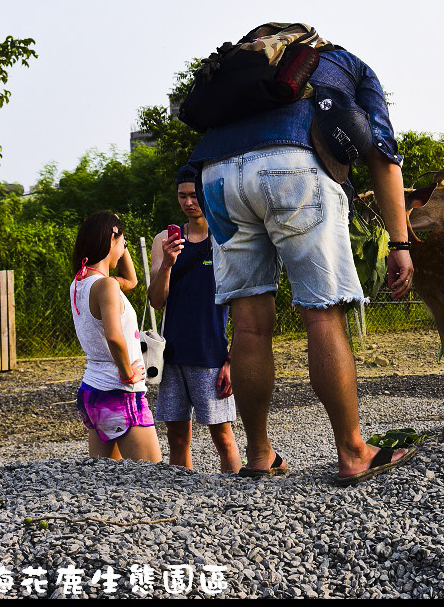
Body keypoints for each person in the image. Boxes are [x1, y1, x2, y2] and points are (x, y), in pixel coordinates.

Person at [188, 25, 417, 485]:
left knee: (250, 324)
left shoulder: (245, 75)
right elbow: (382, 156)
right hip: (291, 164)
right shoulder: (346, 63)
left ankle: (259, 454)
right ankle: (353, 451)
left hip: (215, 177)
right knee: (322, 314)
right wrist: (399, 242)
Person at [148, 164, 243, 474]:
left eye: (194, 195)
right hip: (172, 353)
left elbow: (242, 301)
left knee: (223, 436)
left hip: (212, 352)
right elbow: (156, 300)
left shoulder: (225, 238)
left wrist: (232, 359)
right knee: (177, 436)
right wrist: (168, 264)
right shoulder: (164, 239)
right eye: (182, 196)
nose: (188, 202)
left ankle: (236, 495)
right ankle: (181, 494)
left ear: (206, 194)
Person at [70, 210, 162, 462]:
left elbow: (131, 281)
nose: (124, 249)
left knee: (107, 479)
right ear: (111, 239)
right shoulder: (106, 286)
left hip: (93, 389)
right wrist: (127, 373)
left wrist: (118, 235)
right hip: (119, 391)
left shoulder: (81, 282)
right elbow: (114, 336)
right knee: (152, 475)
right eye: (123, 242)